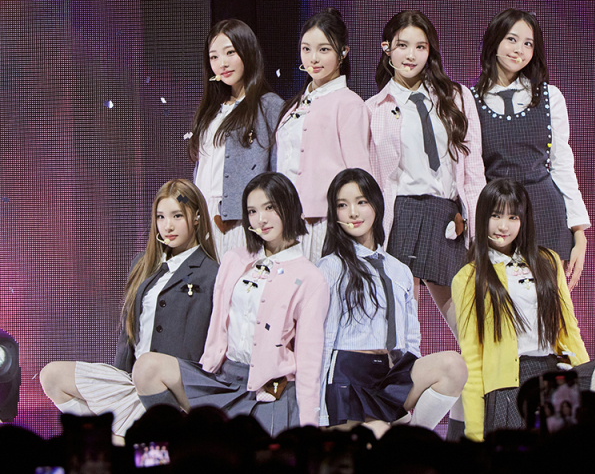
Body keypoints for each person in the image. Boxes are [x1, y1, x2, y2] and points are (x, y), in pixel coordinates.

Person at [131, 172, 330, 436]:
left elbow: (309, 363)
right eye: (252, 211)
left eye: (269, 207)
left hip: (270, 392)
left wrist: (310, 430)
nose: (261, 219)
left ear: (289, 207)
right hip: (220, 381)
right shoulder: (234, 260)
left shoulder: (310, 278)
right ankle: (181, 443)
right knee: (146, 368)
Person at [452, 178, 595, 442]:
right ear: (483, 217)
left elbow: (569, 329)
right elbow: (472, 358)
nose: (503, 226)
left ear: (524, 220)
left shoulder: (548, 261)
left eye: (512, 217)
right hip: (511, 387)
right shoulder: (468, 278)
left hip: (555, 374)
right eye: (495, 216)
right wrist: (475, 435)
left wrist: (583, 376)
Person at [367, 10, 484, 436]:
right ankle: (404, 430)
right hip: (398, 216)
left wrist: (476, 227)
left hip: (446, 217)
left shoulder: (456, 97)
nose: (411, 55)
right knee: (397, 335)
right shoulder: (373, 108)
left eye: (420, 46)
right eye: (402, 45)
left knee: (470, 331)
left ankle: (465, 430)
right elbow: (372, 177)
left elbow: (473, 170)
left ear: (430, 50)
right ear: (387, 49)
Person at [39, 179, 219, 441]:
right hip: (131, 383)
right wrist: (118, 381)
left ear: (197, 218)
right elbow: (128, 335)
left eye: (177, 216)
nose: (167, 226)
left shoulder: (212, 273)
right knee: (52, 376)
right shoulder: (142, 265)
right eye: (161, 216)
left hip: (172, 391)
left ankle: (131, 440)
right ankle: (114, 439)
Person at [317, 168, 467, 437]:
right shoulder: (331, 267)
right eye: (342, 205)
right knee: (377, 434)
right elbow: (323, 340)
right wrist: (319, 410)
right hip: (349, 378)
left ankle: (411, 437)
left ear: (376, 204)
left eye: (361, 202)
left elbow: (411, 338)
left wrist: (410, 377)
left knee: (454, 365)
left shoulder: (399, 270)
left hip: (390, 372)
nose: (353, 212)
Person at [472, 8, 590, 290]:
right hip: (497, 220)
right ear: (494, 42)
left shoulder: (550, 97)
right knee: (502, 309)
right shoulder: (470, 101)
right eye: (512, 40)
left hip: (546, 215)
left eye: (528, 43)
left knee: (548, 310)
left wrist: (579, 231)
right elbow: (469, 171)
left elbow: (562, 165)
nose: (520, 50)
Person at [275, 7, 372, 263]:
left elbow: (359, 173)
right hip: (286, 220)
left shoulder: (349, 103)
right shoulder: (294, 106)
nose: (313, 58)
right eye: (306, 49)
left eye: (324, 49)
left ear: (343, 52)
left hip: (323, 223)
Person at [188, 19, 284, 257]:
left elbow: (278, 169)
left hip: (242, 219)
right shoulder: (211, 111)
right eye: (214, 57)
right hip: (203, 217)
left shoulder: (268, 106)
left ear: (247, 52)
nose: (222, 63)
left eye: (230, 52)